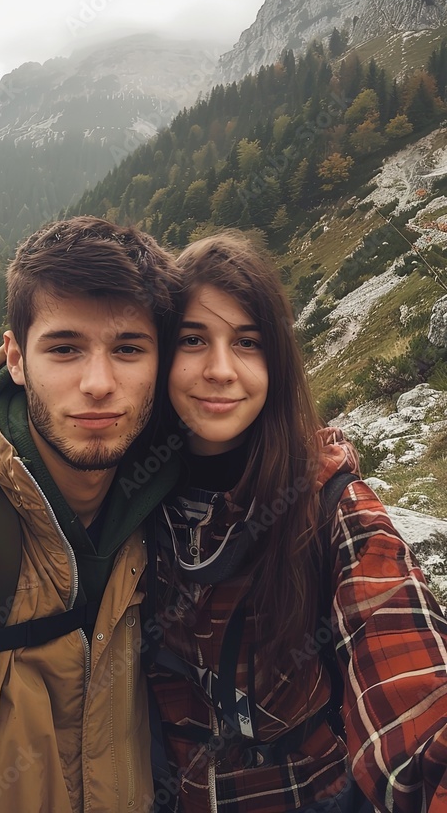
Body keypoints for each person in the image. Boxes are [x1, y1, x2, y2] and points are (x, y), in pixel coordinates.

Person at [0, 215, 181, 813]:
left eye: (128, 349)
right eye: (65, 348)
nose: (98, 384)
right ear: (16, 360)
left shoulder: (174, 501)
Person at [146, 231, 447, 813]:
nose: (220, 370)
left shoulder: (332, 509)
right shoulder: (122, 502)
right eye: (192, 340)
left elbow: (416, 709)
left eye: (248, 343)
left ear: (276, 362)